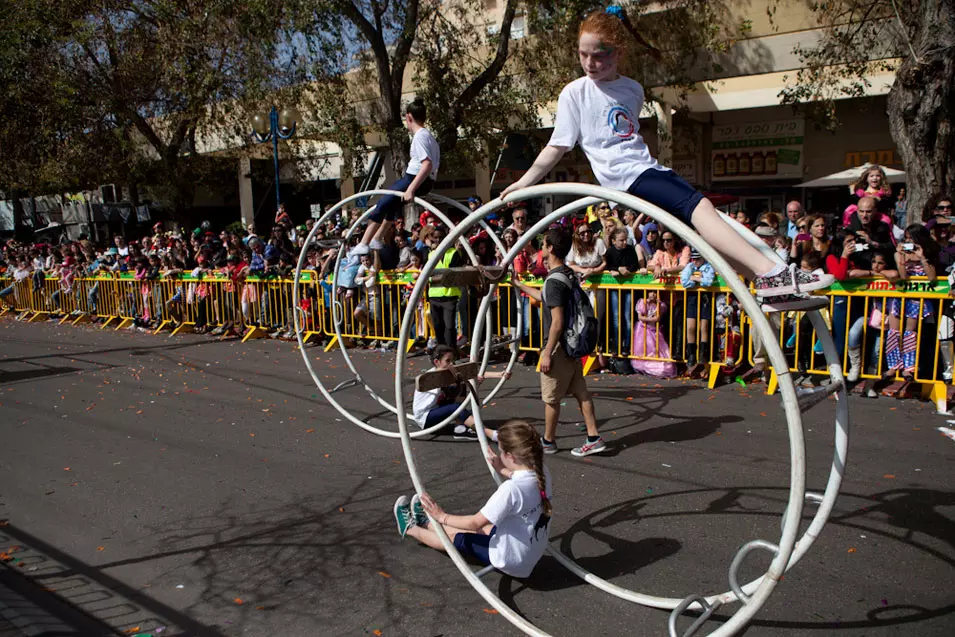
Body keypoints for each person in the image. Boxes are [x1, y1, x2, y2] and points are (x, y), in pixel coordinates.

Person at [500, 7, 831, 312]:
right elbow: (558, 145)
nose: (589, 63)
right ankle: (772, 274)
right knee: (699, 209)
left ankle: (769, 284)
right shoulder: (575, 92)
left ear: (619, 53)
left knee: (706, 225)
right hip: (626, 177)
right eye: (583, 54)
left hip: (647, 168)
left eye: (599, 56)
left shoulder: (632, 90)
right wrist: (524, 182)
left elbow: (627, 139)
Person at [394, 420, 552, 579]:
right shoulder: (542, 472)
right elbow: (524, 484)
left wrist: (441, 516)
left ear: (510, 456)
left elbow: (474, 522)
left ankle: (410, 529)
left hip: (510, 559)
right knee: (485, 529)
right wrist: (503, 470)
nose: (499, 454)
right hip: (529, 550)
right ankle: (427, 523)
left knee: (454, 538)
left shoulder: (511, 490)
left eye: (501, 451)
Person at [511, 228, 605, 457]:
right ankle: (594, 437)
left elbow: (557, 322)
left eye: (543, 245)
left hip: (560, 346)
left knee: (551, 398)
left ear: (550, 248)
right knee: (581, 392)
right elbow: (545, 297)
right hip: (573, 344)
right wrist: (519, 284)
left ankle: (548, 441)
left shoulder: (554, 281)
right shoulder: (566, 274)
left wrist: (546, 352)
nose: (540, 250)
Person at [352, 98, 439, 255]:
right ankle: (377, 239)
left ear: (408, 117)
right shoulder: (430, 137)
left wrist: (411, 189)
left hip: (413, 179)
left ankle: (364, 242)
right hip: (424, 181)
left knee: (382, 203)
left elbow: (427, 164)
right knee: (392, 205)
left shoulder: (420, 137)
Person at [412, 345, 509, 440]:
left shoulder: (446, 372)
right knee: (457, 406)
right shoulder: (432, 377)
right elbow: (453, 385)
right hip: (425, 417)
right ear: (437, 362)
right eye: (448, 361)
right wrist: (464, 381)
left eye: (452, 360)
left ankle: (459, 429)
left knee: (462, 398)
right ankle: (489, 434)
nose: (451, 364)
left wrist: (500, 374)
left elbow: (472, 374)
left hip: (435, 409)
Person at [887, 224, 938, 378]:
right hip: (900, 296)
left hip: (917, 299)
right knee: (893, 332)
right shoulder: (900, 255)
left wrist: (922, 257)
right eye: (906, 238)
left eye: (912, 238)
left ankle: (909, 367)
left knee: (910, 333)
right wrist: (901, 256)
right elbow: (903, 276)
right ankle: (893, 365)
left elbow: (932, 279)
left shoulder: (927, 253)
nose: (909, 241)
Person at [680, 248, 715, 366]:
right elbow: (684, 281)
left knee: (703, 326)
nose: (695, 261)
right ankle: (691, 354)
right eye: (693, 259)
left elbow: (709, 281)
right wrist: (699, 281)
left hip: (705, 297)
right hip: (692, 297)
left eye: (697, 259)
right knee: (690, 327)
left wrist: (695, 279)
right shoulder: (689, 266)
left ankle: (703, 354)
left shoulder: (708, 267)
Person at [631, 290, 677, 377]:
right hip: (642, 330)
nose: (653, 294)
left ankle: (656, 366)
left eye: (655, 292)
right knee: (643, 347)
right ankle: (643, 364)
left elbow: (657, 318)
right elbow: (640, 316)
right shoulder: (642, 302)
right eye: (651, 292)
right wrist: (648, 318)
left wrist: (648, 319)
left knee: (655, 348)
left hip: (654, 330)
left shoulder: (660, 305)